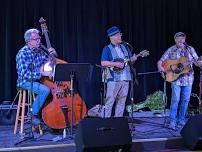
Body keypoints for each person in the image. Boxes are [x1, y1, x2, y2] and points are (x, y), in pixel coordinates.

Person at [157, 32, 202, 130]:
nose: (180, 40)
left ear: (185, 39)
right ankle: (172, 121)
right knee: (175, 100)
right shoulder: (171, 50)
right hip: (175, 79)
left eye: (182, 38)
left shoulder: (190, 49)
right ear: (175, 40)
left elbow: (197, 62)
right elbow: (160, 61)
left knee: (185, 100)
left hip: (188, 79)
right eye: (178, 38)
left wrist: (199, 63)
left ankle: (181, 120)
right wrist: (160, 67)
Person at [16, 28, 57, 124]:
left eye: (39, 38)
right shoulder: (22, 53)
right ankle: (32, 114)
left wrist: (53, 54)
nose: (39, 40)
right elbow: (24, 74)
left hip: (37, 80)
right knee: (45, 90)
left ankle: (48, 116)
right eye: (36, 39)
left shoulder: (40, 51)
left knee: (52, 89)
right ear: (29, 41)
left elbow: (52, 61)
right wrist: (42, 73)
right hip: (25, 81)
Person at [101, 26, 137, 117]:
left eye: (120, 34)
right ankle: (106, 124)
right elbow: (103, 63)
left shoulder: (125, 47)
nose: (120, 36)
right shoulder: (107, 48)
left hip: (125, 78)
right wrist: (116, 64)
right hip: (113, 79)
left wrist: (133, 59)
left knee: (122, 102)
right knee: (110, 102)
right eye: (118, 35)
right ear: (111, 37)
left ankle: (118, 123)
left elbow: (128, 62)